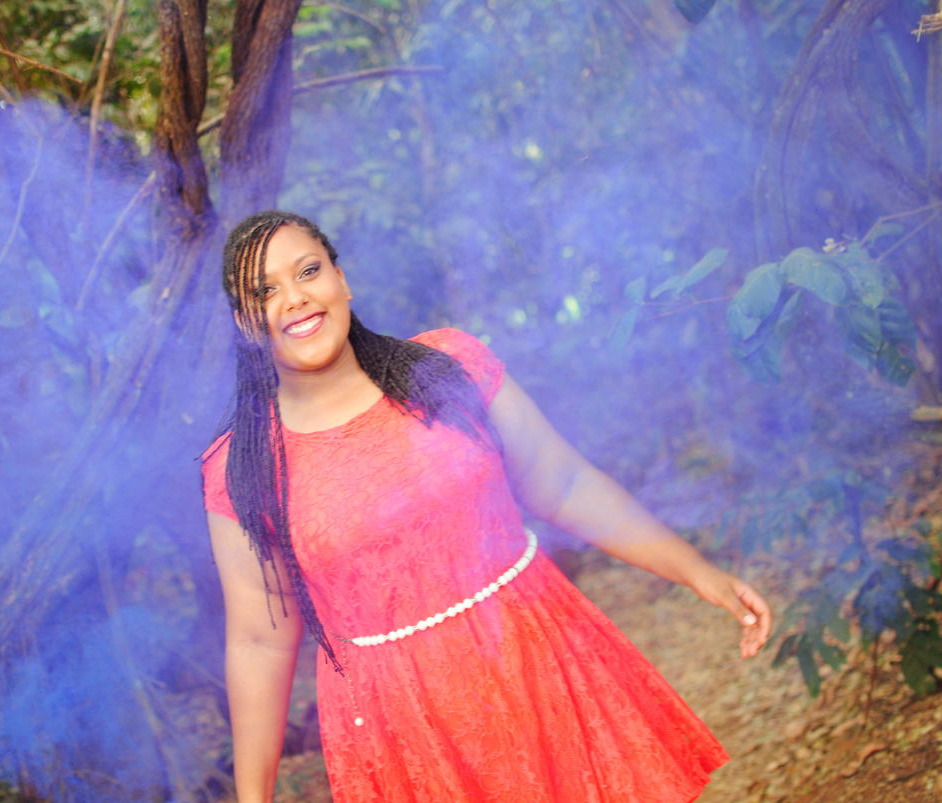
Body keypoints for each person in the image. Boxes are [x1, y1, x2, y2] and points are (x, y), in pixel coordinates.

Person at [200, 210, 772, 802]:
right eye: (264, 291)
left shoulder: (445, 366)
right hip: (404, 730)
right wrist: (252, 797)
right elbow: (259, 640)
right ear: (244, 322)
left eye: (308, 271)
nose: (294, 298)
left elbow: (564, 484)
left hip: (536, 662)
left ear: (341, 280)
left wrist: (697, 572)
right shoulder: (242, 466)